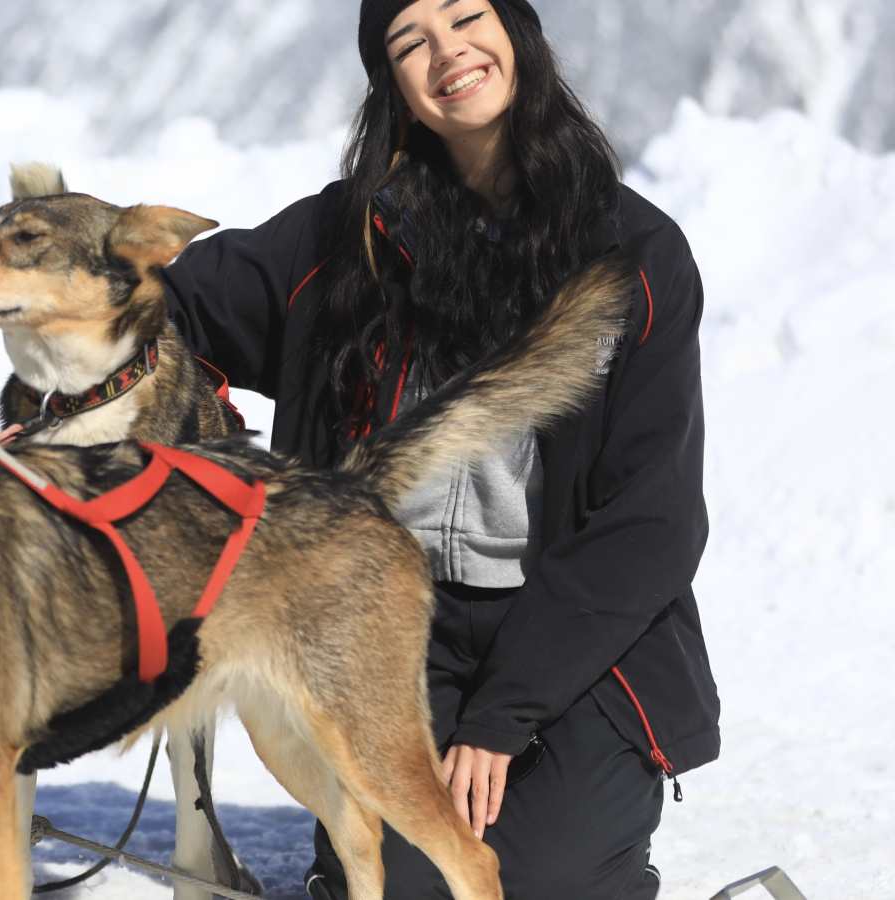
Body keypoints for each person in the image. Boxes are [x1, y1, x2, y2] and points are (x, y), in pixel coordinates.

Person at [162, 1, 720, 897]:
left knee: (552, 881)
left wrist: (502, 717)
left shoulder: (634, 252)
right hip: (382, 628)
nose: (447, 50)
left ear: (518, 32)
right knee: (406, 883)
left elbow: (649, 523)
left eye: (467, 14)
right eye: (409, 40)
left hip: (573, 643)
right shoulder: (339, 240)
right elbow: (164, 313)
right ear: (393, 84)